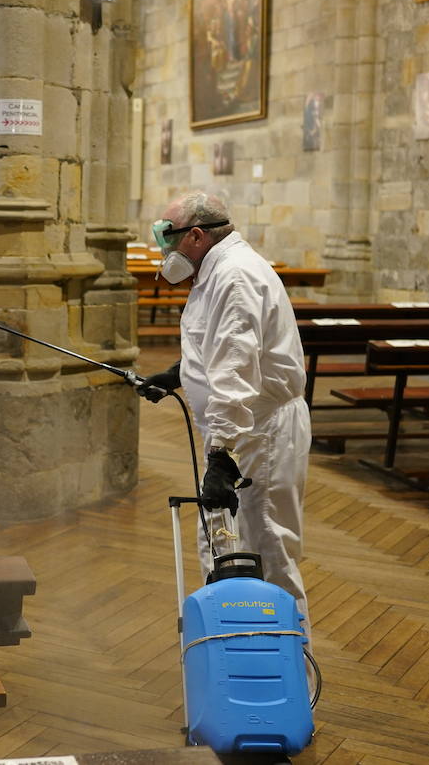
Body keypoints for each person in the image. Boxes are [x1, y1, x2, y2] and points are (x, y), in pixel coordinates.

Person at [137, 191, 311, 626]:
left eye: (167, 237)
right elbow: (219, 343)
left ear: (196, 235)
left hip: (258, 434)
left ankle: (291, 683)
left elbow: (236, 373)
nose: (164, 250)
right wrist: (182, 373)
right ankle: (237, 659)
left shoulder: (234, 276)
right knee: (225, 548)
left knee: (268, 557)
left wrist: (222, 457)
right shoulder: (215, 270)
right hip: (241, 435)